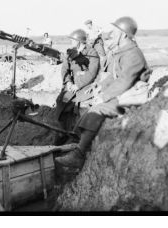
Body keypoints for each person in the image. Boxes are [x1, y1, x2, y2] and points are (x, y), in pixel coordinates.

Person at [56, 16, 150, 170]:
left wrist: (104, 96)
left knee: (96, 110)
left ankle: (79, 154)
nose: (112, 34)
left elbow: (124, 80)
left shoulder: (133, 54)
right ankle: (78, 142)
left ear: (124, 34)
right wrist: (100, 86)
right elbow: (114, 77)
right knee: (84, 108)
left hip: (133, 95)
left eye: (116, 31)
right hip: (125, 92)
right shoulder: (124, 52)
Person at [53, 29, 100, 145]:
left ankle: (80, 141)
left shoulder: (91, 52)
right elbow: (65, 69)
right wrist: (68, 82)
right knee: (61, 103)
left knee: (83, 111)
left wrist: (78, 85)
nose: (70, 42)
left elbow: (92, 73)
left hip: (86, 87)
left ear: (79, 41)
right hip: (71, 87)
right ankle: (62, 134)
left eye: (72, 40)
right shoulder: (70, 53)